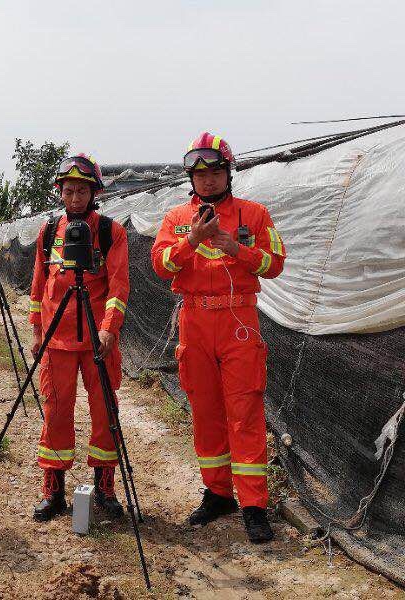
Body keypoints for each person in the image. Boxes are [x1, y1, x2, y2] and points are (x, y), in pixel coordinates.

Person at [151, 133, 286, 543]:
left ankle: (254, 506)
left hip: (239, 321)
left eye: (215, 172)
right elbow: (160, 265)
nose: (207, 181)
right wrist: (191, 240)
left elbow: (276, 262)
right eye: (199, 174)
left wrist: (237, 250)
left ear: (229, 172)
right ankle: (218, 493)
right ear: (191, 178)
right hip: (194, 322)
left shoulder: (254, 214)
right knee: (206, 412)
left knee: (244, 413)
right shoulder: (176, 218)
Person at [28, 154, 130, 521]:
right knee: (56, 410)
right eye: (69, 191)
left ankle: (104, 485)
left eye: (81, 191)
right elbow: (39, 286)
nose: (74, 199)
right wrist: (38, 331)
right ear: (60, 193)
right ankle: (52, 487)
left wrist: (109, 328)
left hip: (98, 341)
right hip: (57, 340)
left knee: (105, 410)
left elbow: (119, 285)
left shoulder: (110, 232)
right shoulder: (47, 231)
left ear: (94, 193)